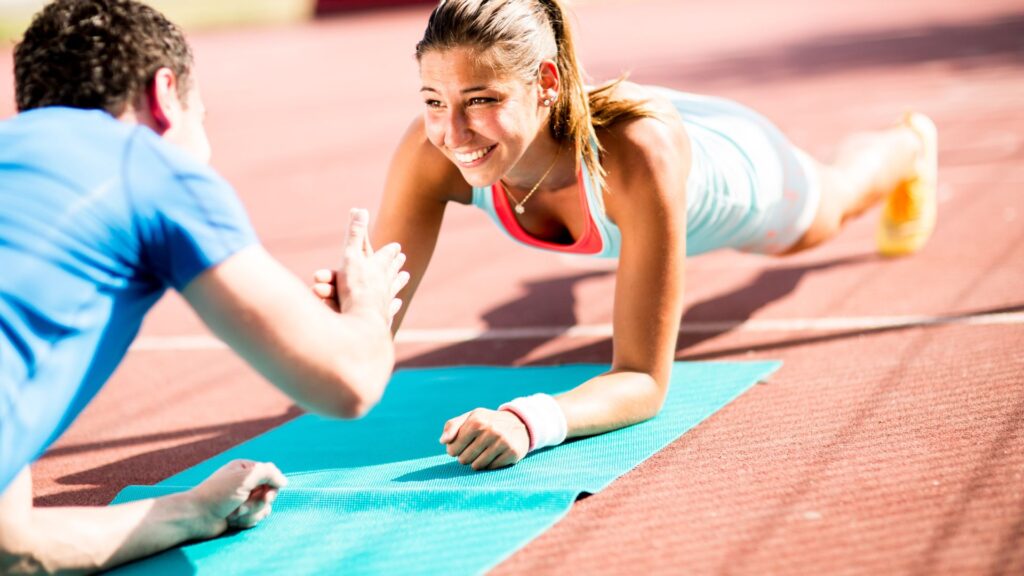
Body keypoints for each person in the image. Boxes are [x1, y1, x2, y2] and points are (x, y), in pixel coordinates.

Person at [313, 0, 937, 471]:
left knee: (831, 208)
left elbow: (643, 378)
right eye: (432, 100)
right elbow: (369, 337)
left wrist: (534, 419)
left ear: (548, 83)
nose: (452, 131)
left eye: (480, 99)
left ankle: (907, 145)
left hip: (743, 173)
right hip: (602, 142)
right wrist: (340, 320)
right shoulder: (433, 150)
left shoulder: (637, 154)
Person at [0, 0, 409, 573]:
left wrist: (193, 511)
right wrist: (366, 310)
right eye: (203, 115)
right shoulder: (145, 164)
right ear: (166, 96)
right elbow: (349, 383)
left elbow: (12, 547)